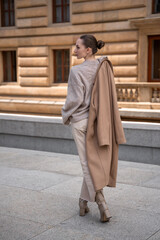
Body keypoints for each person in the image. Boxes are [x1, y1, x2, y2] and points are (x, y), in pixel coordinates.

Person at [61, 34, 112, 222]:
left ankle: (101, 203)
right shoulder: (103, 66)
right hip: (98, 122)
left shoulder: (76, 71)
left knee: (86, 164)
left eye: (77, 47)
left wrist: (64, 114)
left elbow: (75, 100)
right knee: (92, 163)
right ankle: (83, 203)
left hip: (81, 122)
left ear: (88, 50)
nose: (75, 50)